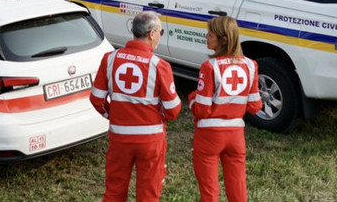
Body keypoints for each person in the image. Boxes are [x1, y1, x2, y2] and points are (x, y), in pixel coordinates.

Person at [90, 11, 181, 202]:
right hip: (150, 141)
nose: (160, 37)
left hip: (119, 138)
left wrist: (112, 115)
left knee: (114, 190)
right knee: (148, 193)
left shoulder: (110, 59)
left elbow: (97, 99)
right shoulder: (159, 65)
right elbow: (173, 110)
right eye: (161, 33)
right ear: (152, 34)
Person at [188, 16, 261, 202]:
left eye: (210, 34)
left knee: (209, 191)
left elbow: (202, 110)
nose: (206, 37)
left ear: (224, 39)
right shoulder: (251, 65)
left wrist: (191, 98)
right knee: (238, 187)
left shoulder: (209, 67)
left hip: (209, 136)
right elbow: (255, 106)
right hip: (236, 136)